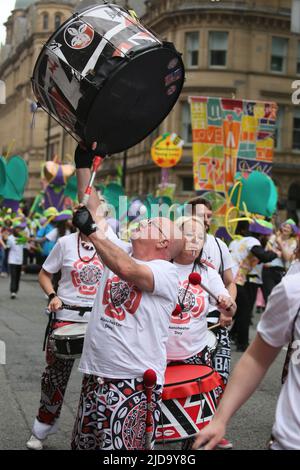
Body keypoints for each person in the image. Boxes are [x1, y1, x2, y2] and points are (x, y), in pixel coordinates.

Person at [70, 145, 184, 450]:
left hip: (133, 382)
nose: (143, 220)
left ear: (162, 241)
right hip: (96, 373)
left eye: (152, 222)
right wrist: (83, 161)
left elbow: (125, 268)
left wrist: (92, 232)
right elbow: (91, 209)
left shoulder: (166, 273)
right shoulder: (119, 246)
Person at [193, 238, 300, 450]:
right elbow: (256, 359)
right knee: (243, 319)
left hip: (246, 284)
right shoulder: (292, 289)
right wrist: (220, 419)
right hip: (291, 441)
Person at [26, 223, 104, 450]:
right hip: (66, 317)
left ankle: (90, 436)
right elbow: (44, 274)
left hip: (98, 320)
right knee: (54, 379)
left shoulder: (110, 243)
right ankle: (41, 429)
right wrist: (52, 295)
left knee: (97, 382)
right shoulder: (65, 243)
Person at [166, 215, 236, 450]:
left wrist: (228, 304)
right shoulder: (160, 267)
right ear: (176, 238)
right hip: (157, 353)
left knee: (192, 418)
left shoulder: (207, 273)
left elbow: (229, 304)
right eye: (189, 235)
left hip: (194, 353)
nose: (195, 241)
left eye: (200, 237)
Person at [229, 220, 278, 352]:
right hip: (241, 280)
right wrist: (275, 254)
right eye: (267, 235)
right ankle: (242, 343)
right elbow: (264, 256)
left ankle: (231, 335)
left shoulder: (238, 241)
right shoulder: (253, 242)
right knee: (244, 313)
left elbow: (256, 258)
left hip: (231, 279)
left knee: (237, 311)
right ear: (262, 235)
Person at [262, 219, 298, 302]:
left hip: (281, 272)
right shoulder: (274, 237)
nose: (285, 228)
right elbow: (266, 250)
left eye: (288, 228)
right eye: (284, 226)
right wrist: (280, 252)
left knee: (279, 298)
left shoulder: (293, 242)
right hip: (268, 269)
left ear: (292, 231)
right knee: (269, 297)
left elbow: (287, 257)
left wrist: (280, 243)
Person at [6, 220, 27, 299]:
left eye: (20, 229)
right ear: (14, 229)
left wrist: (24, 263)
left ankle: (16, 290)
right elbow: (7, 249)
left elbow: (25, 250)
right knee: (13, 276)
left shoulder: (23, 238)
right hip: (12, 260)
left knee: (18, 277)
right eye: (17, 228)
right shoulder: (10, 238)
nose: (18, 230)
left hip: (20, 260)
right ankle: (13, 291)